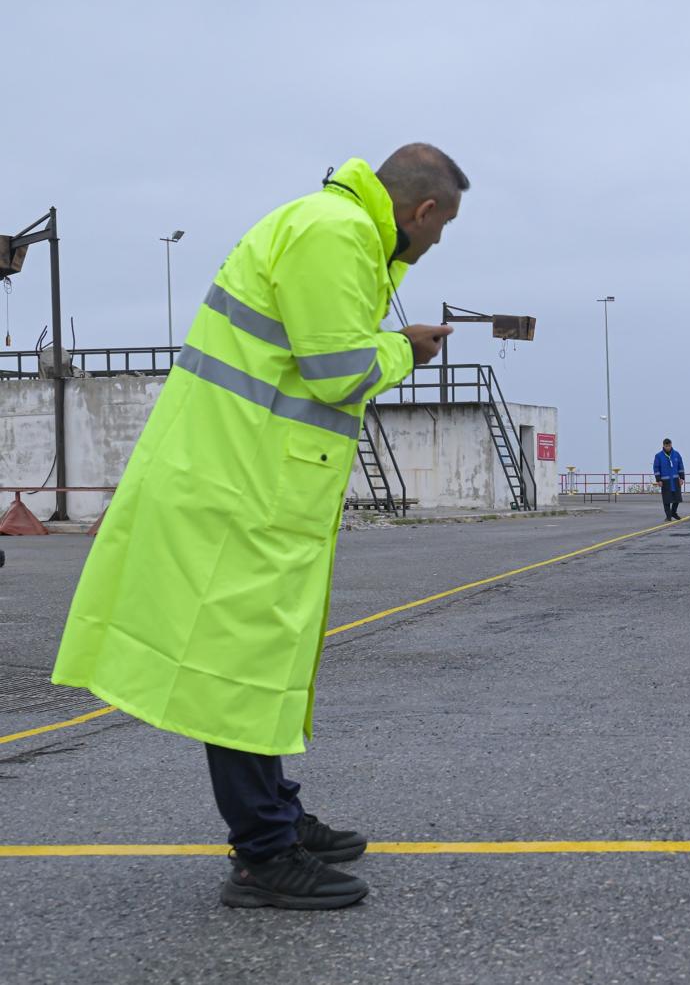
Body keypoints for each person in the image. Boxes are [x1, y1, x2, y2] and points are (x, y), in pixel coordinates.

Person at [51, 144, 467, 910]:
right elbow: (339, 371)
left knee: (261, 661)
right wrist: (406, 350)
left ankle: (279, 814)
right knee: (239, 672)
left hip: (250, 482)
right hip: (236, 488)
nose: (436, 246)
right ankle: (264, 852)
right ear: (424, 211)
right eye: (441, 232)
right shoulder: (335, 233)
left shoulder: (332, 231)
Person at [654, 438, 685, 520]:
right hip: (665, 481)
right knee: (666, 499)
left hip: (675, 480)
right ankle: (668, 516)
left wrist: (681, 478)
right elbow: (656, 468)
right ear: (663, 445)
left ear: (671, 445)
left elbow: (680, 466)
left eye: (669, 446)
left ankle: (673, 513)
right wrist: (658, 480)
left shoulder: (676, 454)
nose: (668, 447)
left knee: (677, 498)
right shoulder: (658, 456)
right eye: (666, 446)